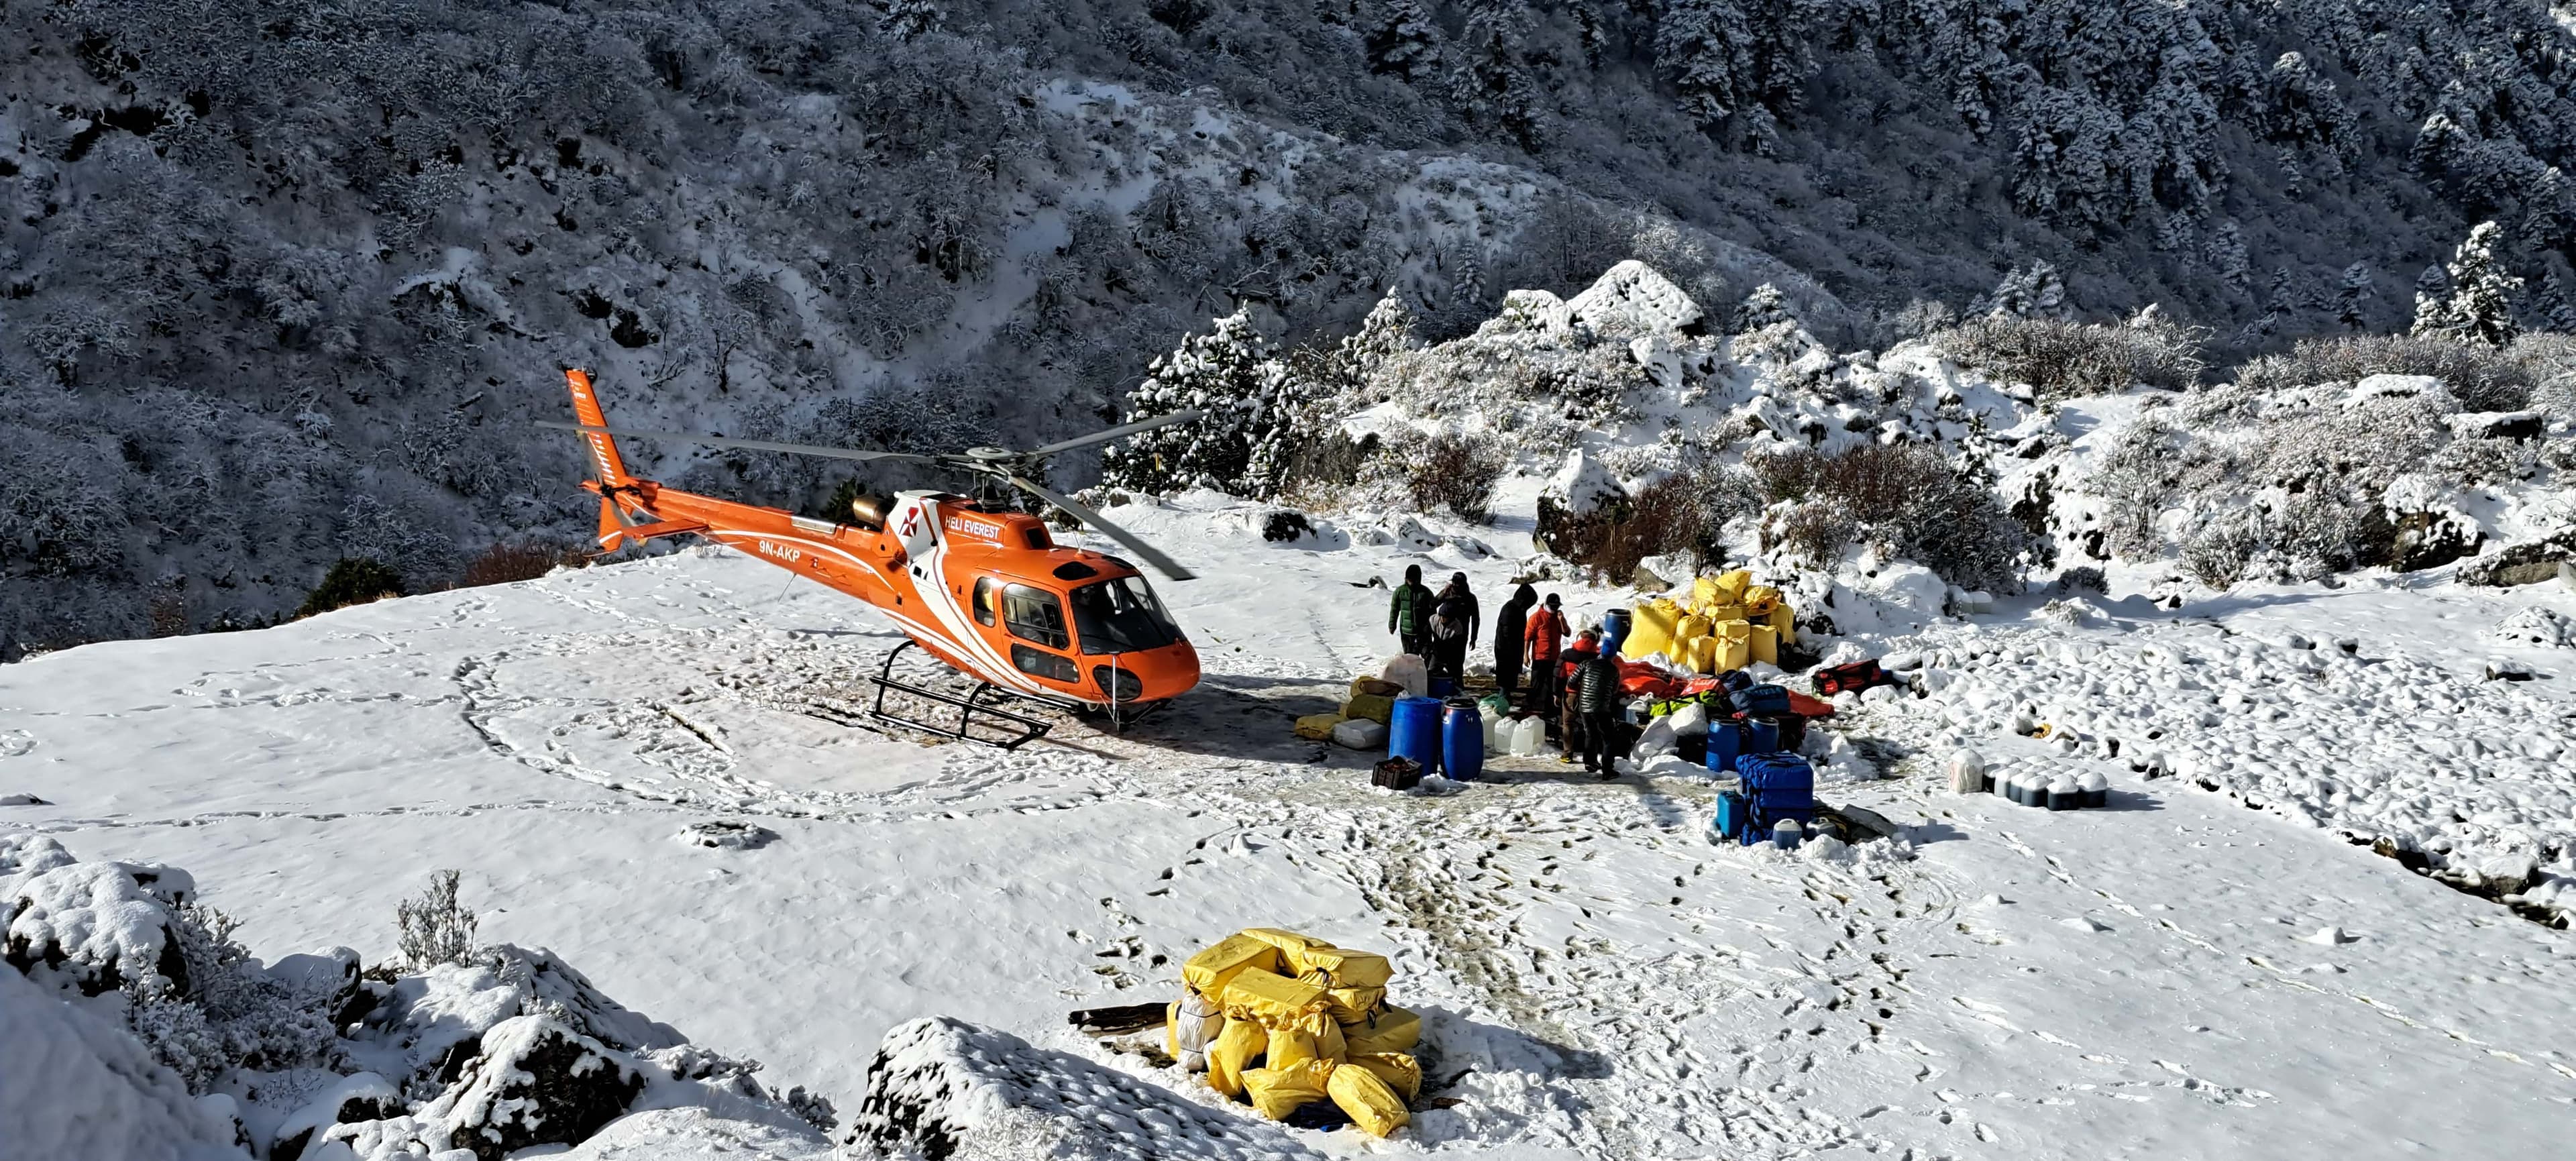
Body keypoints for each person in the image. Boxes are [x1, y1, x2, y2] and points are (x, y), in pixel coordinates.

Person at [1567, 632, 1623, 777]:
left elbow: (1571, 681)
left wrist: (1583, 689)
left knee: (1590, 734)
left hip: (1584, 707)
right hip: (1601, 709)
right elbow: (1614, 691)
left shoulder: (1587, 664)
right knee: (1609, 739)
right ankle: (1608, 770)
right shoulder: (1614, 670)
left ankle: (1590, 762)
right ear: (1613, 655)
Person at [1426, 573, 1479, 685]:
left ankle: (1457, 686)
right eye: (1453, 583)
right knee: (1437, 660)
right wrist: (1443, 594)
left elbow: (1476, 619)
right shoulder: (1447, 593)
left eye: (1457, 584)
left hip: (1461, 635)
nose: (1455, 585)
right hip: (1443, 633)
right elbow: (1432, 604)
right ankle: (1437, 685)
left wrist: (1474, 638)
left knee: (1457, 664)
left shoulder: (1470, 598)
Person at [1524, 593, 1568, 719]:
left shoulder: (1558, 618)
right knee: (1537, 684)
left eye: (1557, 606)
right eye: (1553, 606)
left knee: (1551, 685)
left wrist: (1562, 620)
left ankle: (1549, 710)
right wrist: (1526, 655)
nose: (1555, 609)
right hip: (1540, 657)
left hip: (1554, 657)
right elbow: (1528, 638)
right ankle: (1530, 706)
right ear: (1547, 605)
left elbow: (1567, 633)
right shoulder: (1537, 617)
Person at [1493, 584, 1536, 703]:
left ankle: (1506, 700)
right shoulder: (1510, 610)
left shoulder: (1518, 609)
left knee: (1510, 680)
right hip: (1506, 651)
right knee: (1505, 681)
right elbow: (1508, 634)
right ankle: (1502, 703)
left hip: (1513, 650)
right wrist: (1514, 650)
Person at [1387, 564, 1434, 659]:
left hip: (1423, 632)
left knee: (1427, 655)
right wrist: (1392, 625)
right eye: (1409, 580)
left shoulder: (1426, 593)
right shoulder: (1400, 592)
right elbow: (1394, 610)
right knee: (1409, 658)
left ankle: (1427, 673)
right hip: (1406, 632)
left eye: (1413, 580)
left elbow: (1433, 613)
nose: (1411, 582)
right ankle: (1411, 674)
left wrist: (1433, 629)